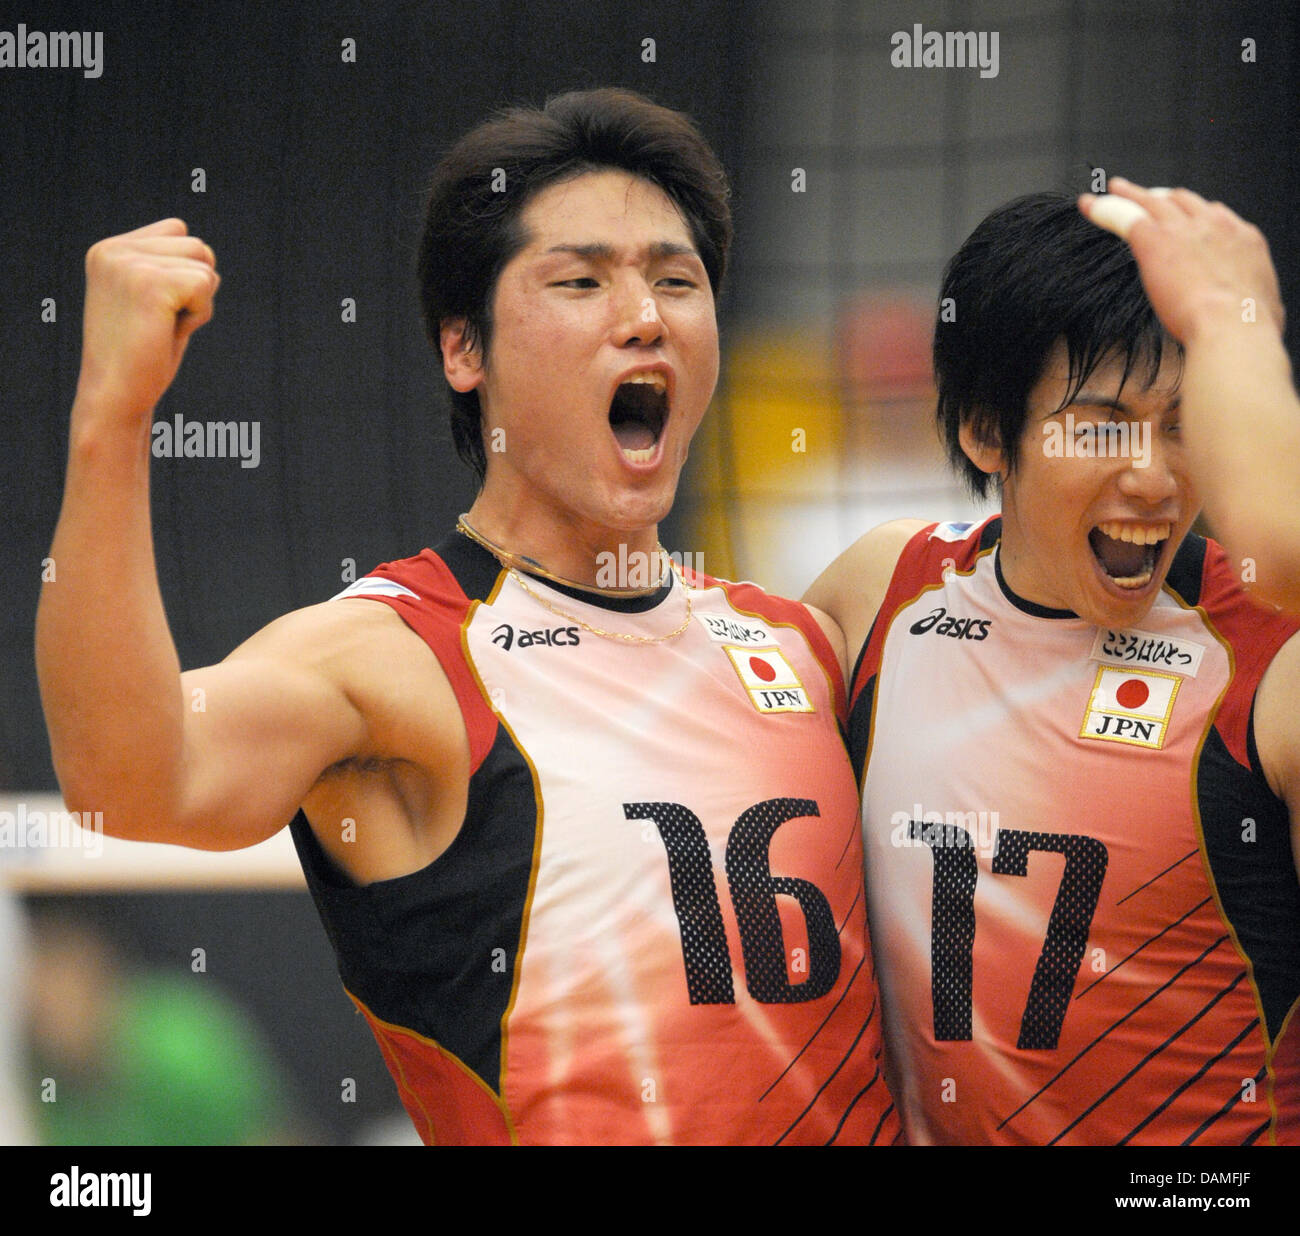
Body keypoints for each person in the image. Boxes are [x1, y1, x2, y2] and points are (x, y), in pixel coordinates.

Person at [36, 88, 898, 1146]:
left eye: (677, 281)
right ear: (464, 351)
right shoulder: (392, 658)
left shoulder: (808, 644)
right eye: (580, 281)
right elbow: (123, 786)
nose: (645, 316)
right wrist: (111, 417)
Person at [806, 186, 1300, 1145]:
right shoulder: (883, 595)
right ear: (988, 430)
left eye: (1181, 418)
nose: (1153, 477)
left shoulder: (1267, 668)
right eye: (1105, 423)